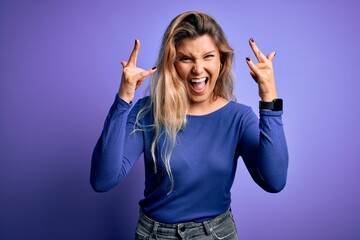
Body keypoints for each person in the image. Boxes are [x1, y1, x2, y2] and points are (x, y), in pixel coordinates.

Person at [90, 11, 288, 240]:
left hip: (216, 234)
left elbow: (275, 181)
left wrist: (269, 98)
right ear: (172, 63)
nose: (198, 69)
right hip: (154, 235)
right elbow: (102, 180)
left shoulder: (239, 118)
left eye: (208, 56)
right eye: (186, 58)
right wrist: (123, 99)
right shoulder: (148, 112)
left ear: (222, 61)